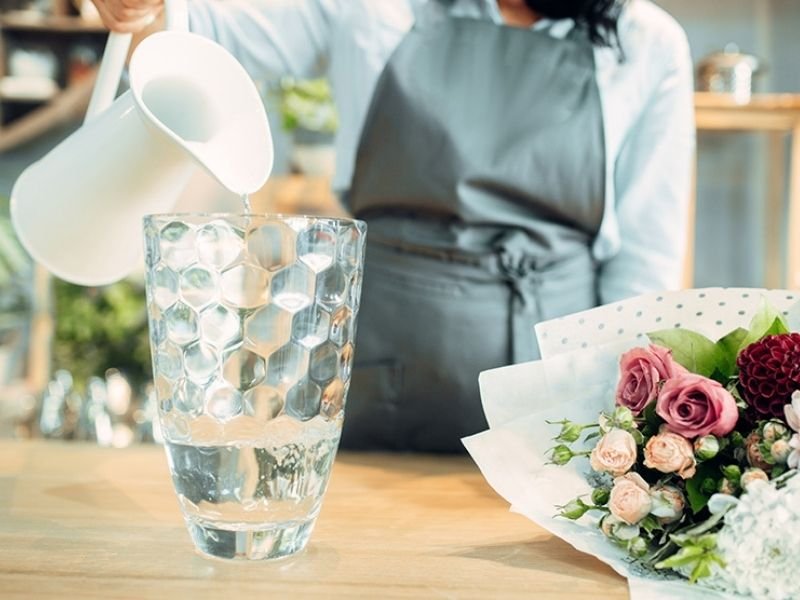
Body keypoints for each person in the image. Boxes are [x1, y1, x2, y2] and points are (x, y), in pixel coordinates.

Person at [91, 0, 695, 453]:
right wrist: (143, 9)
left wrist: (621, 431)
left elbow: (643, 266)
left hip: (557, 408)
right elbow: (199, 34)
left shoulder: (648, 44)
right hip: (369, 374)